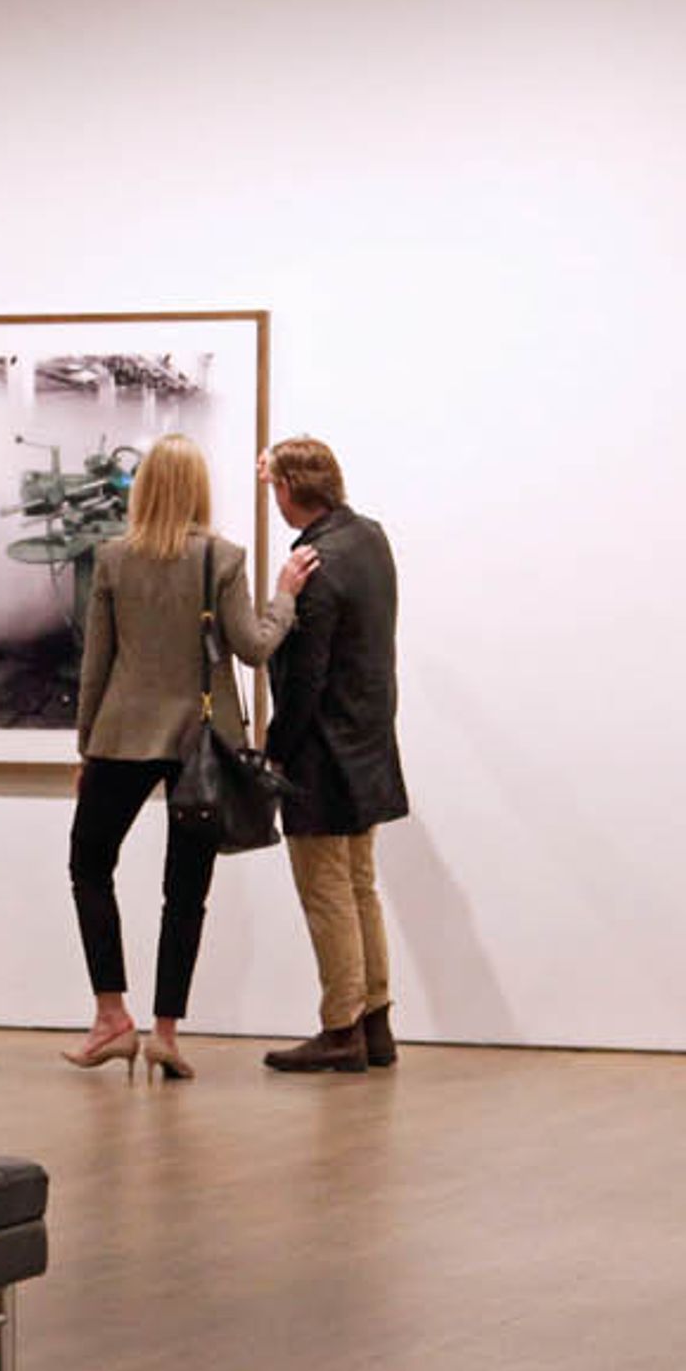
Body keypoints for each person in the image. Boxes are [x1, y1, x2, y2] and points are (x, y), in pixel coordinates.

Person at [61, 433, 276, 1082]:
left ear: (147, 488)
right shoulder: (224, 559)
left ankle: (110, 1015)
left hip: (123, 736)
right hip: (199, 745)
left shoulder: (114, 560)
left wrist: (86, 746)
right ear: (199, 490)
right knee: (185, 893)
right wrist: (286, 599)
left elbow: (96, 665)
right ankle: (165, 1033)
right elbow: (254, 646)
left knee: (89, 866)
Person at [251, 438, 409, 1074]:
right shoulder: (369, 538)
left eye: (274, 488)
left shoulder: (312, 562)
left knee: (327, 893)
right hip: (369, 738)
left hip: (323, 750)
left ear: (290, 491)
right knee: (360, 885)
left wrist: (275, 754)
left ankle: (339, 1027)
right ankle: (375, 1022)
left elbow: (302, 678)